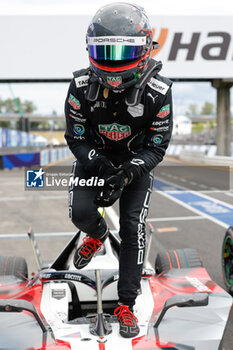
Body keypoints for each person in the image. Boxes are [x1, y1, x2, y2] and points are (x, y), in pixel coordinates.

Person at [64, 2, 173, 338]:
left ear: (144, 48)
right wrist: (98, 163)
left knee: (131, 228)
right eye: (104, 52)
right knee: (80, 214)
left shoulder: (160, 93)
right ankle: (95, 236)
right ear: (90, 49)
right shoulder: (80, 87)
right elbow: (75, 138)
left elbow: (156, 146)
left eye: (121, 52)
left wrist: (126, 173)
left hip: (135, 165)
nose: (112, 61)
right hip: (93, 160)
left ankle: (126, 303)